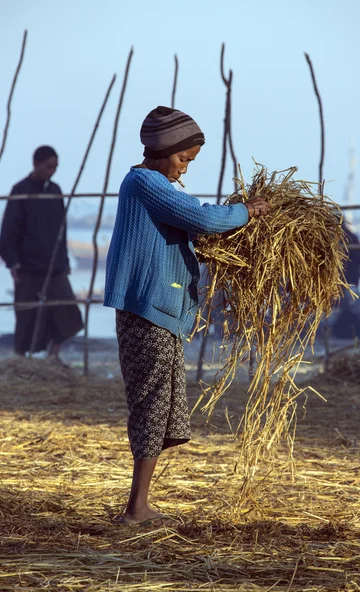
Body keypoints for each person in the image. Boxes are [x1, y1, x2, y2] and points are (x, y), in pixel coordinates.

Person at [104, 106, 270, 525]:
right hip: (148, 313)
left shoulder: (157, 184)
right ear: (161, 151)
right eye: (183, 160)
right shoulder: (145, 182)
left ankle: (139, 505)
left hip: (161, 313)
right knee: (151, 404)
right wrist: (246, 211)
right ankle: (136, 510)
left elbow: (193, 220)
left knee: (161, 406)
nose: (183, 170)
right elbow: (201, 218)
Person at [0, 145, 83, 360]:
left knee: (69, 314)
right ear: (35, 164)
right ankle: (20, 361)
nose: (51, 171)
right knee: (26, 315)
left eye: (54, 168)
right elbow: (8, 231)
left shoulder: (55, 191)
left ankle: (53, 354)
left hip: (55, 266)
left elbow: (61, 231)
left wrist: (64, 261)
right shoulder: (20, 190)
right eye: (48, 167)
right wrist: (12, 263)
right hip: (27, 267)